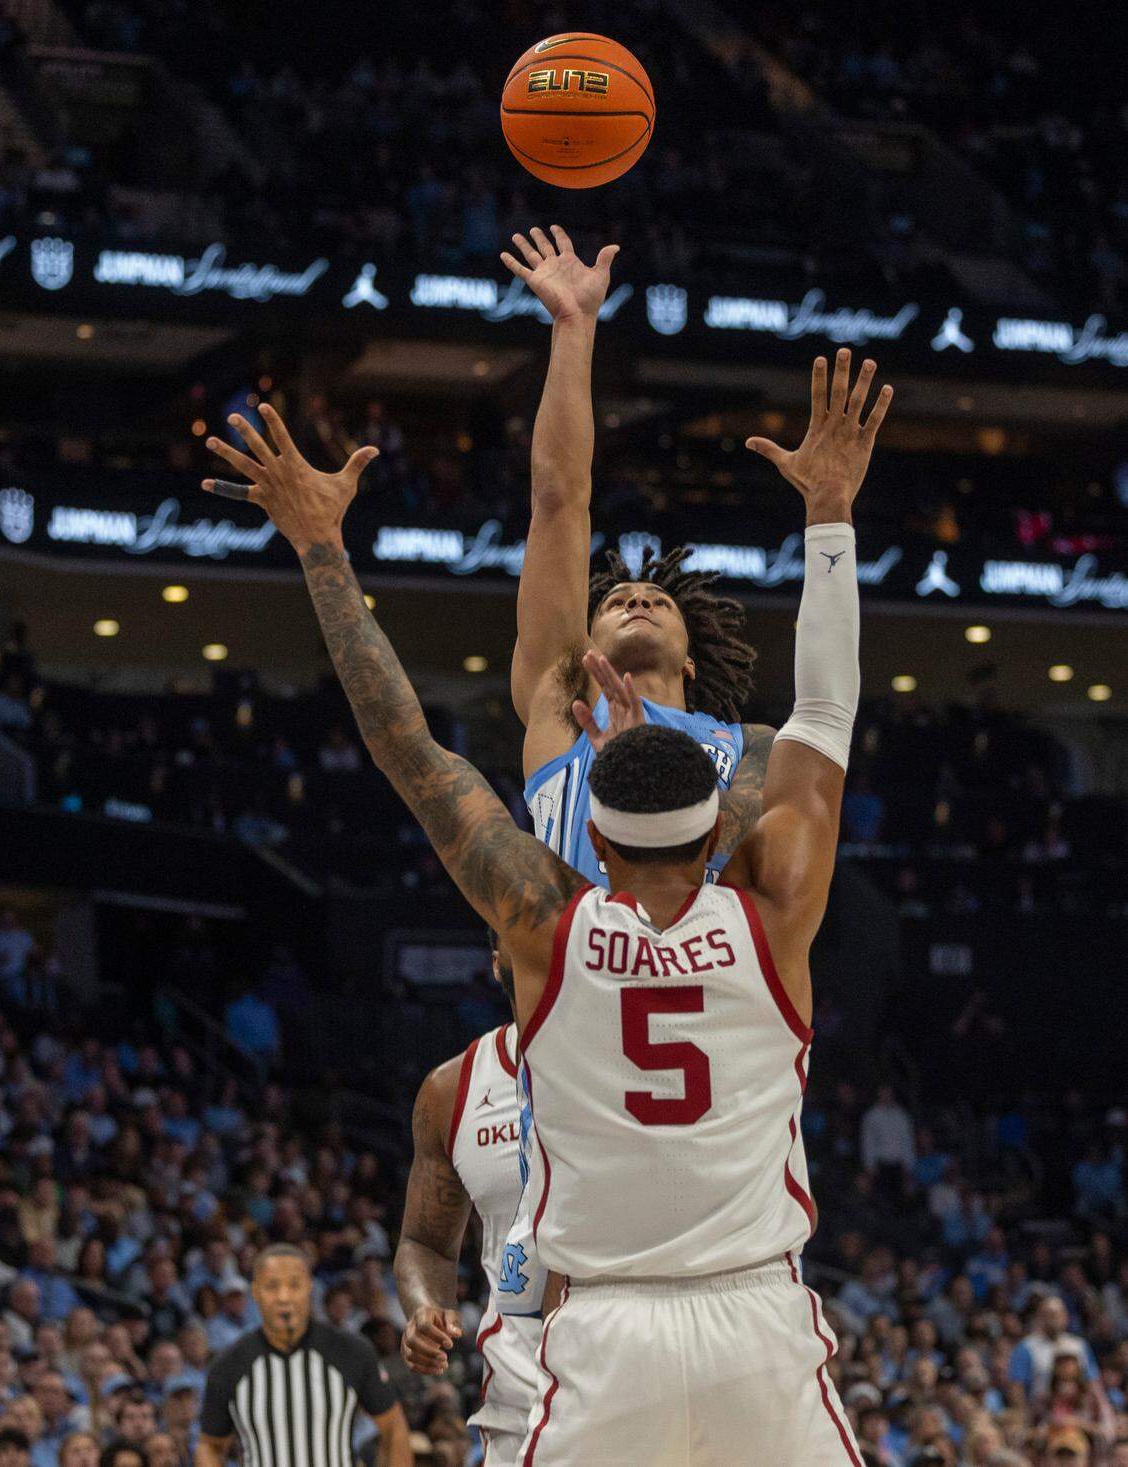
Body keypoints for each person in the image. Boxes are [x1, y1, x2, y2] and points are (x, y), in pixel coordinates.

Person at [202, 345, 891, 1461]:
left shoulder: (549, 890)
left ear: (599, 833)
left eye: (654, 594)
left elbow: (404, 744)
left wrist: (323, 549)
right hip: (739, 1227)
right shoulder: (769, 872)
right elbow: (831, 702)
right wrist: (829, 516)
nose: (628, 597)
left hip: (597, 1208)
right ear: (724, 829)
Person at [499, 224, 775, 887]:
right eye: (616, 600)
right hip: (578, 979)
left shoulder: (752, 745)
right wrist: (573, 328)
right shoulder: (558, 705)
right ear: (584, 645)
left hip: (697, 982)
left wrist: (637, 772)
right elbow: (559, 500)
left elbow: (715, 851)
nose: (638, 598)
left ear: (689, 657)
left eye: (657, 600)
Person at [394, 933, 537, 1467]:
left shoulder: (627, 1059)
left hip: (633, 1359)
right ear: (497, 961)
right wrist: (425, 1307)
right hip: (520, 1385)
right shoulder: (451, 1089)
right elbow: (423, 1242)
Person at [194, 1244, 411, 1467]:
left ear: (309, 1288)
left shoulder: (351, 1351)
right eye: (272, 1286)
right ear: (256, 1293)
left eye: (294, 1285)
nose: (283, 1297)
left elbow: (394, 1429)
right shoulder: (230, 1364)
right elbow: (209, 1446)